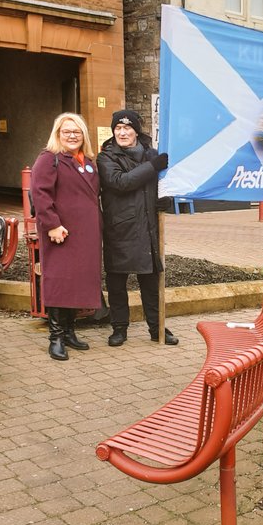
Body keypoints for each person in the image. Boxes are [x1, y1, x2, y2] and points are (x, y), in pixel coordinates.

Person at [96, 109, 177, 347]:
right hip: (119, 228)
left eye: (127, 128)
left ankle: (156, 327)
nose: (122, 133)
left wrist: (165, 199)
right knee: (117, 284)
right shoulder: (106, 157)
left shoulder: (151, 155)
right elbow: (121, 182)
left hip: (147, 227)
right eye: (118, 128)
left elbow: (164, 184)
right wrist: (152, 166)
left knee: (151, 283)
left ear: (136, 131)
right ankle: (119, 329)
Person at [30, 113, 103, 361]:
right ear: (58, 134)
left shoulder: (88, 161)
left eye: (77, 131)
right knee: (60, 281)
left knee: (78, 282)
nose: (72, 136)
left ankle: (70, 331)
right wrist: (52, 225)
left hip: (86, 233)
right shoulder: (49, 158)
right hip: (61, 232)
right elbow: (40, 194)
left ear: (84, 135)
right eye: (67, 131)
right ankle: (56, 337)